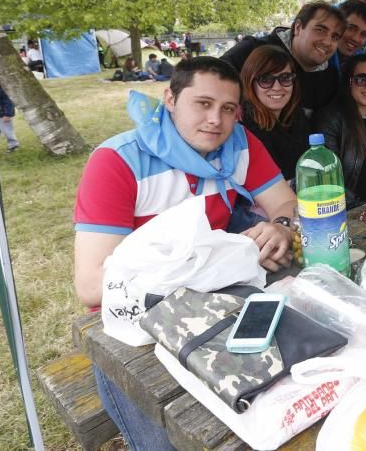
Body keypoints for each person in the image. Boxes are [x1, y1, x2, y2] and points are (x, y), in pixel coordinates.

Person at [73, 56, 296, 450]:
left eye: (228, 109)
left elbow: (287, 205)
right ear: (170, 98)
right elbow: (93, 286)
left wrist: (279, 229)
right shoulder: (116, 162)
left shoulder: (239, 143)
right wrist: (229, 258)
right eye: (203, 103)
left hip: (219, 306)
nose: (216, 120)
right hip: (135, 334)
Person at [222, 2, 345, 119]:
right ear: (298, 27)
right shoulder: (250, 50)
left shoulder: (330, 78)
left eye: (335, 37)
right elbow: (211, 79)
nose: (327, 42)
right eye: (320, 30)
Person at [318, 54, 366, 207]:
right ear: (349, 81)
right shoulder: (330, 119)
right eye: (362, 79)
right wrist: (363, 208)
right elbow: (329, 180)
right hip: (355, 213)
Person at [239, 45, 309, 182]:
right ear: (250, 82)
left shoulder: (297, 118)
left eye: (285, 78)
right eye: (266, 80)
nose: (277, 87)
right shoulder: (243, 128)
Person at [332, 0, 366, 72]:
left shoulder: (359, 64)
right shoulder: (318, 60)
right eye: (351, 28)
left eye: (364, 34)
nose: (356, 39)